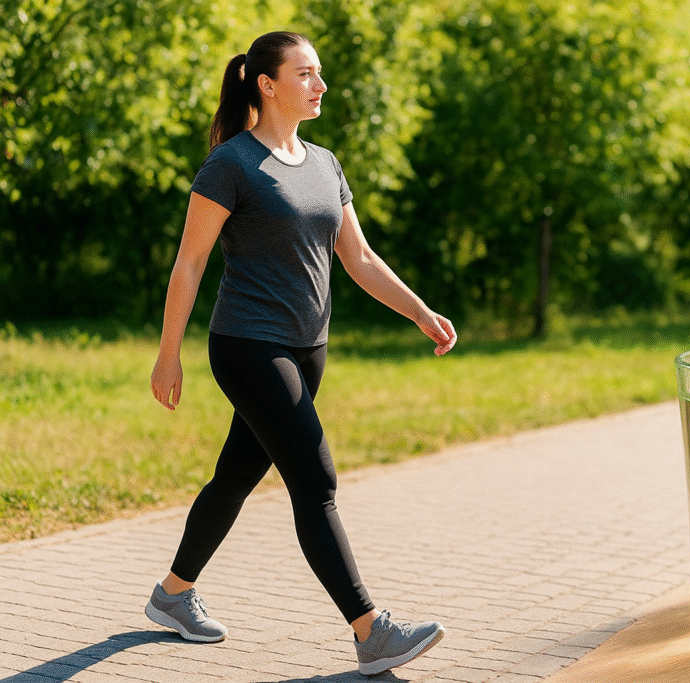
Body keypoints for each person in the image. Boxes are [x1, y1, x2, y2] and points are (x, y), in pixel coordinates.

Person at [144, 31, 456, 677]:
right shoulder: (230, 164)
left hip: (308, 348)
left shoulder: (324, 161)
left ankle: (173, 594)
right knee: (315, 483)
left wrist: (421, 311)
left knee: (234, 476)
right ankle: (371, 630)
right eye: (306, 73)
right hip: (248, 344)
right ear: (267, 83)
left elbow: (360, 259)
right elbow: (191, 260)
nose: (319, 85)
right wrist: (168, 352)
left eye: (318, 74)